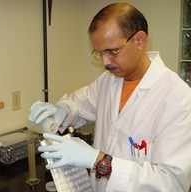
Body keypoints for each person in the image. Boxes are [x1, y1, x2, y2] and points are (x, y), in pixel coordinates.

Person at [28, 3, 191, 192]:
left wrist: (96, 160)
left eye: (112, 51)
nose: (105, 62)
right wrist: (62, 109)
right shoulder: (109, 80)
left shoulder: (178, 98)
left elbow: (171, 183)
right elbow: (79, 103)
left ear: (139, 41)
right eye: (99, 53)